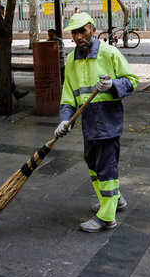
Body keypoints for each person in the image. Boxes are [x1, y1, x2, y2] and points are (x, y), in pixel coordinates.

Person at [54, 12, 139, 232]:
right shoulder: (72, 60)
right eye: (74, 32)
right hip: (89, 123)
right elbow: (68, 96)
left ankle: (107, 217)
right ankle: (113, 200)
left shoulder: (109, 53)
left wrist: (112, 84)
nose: (78, 36)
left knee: (106, 168)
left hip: (108, 121)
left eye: (82, 30)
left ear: (92, 29)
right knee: (92, 163)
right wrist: (65, 121)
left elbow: (132, 81)